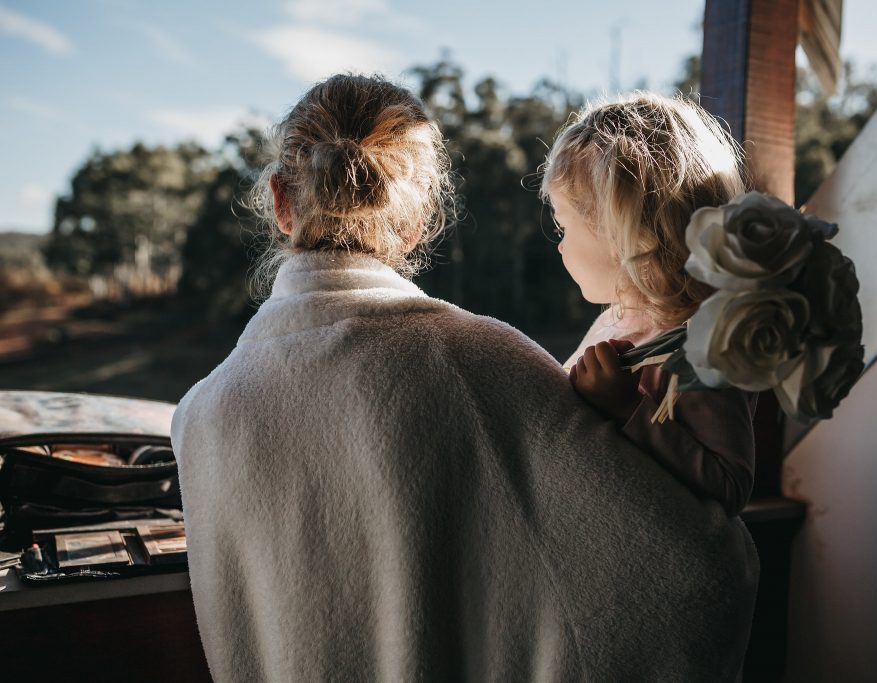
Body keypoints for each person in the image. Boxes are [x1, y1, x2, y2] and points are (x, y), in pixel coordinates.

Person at [171, 74, 758, 682]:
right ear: (422, 217)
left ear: (279, 200)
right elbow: (696, 581)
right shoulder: (480, 362)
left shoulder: (196, 418)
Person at [541, 92, 758, 517]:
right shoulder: (615, 320)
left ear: (626, 233)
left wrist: (628, 408)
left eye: (564, 225)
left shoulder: (699, 343)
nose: (561, 245)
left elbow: (730, 485)